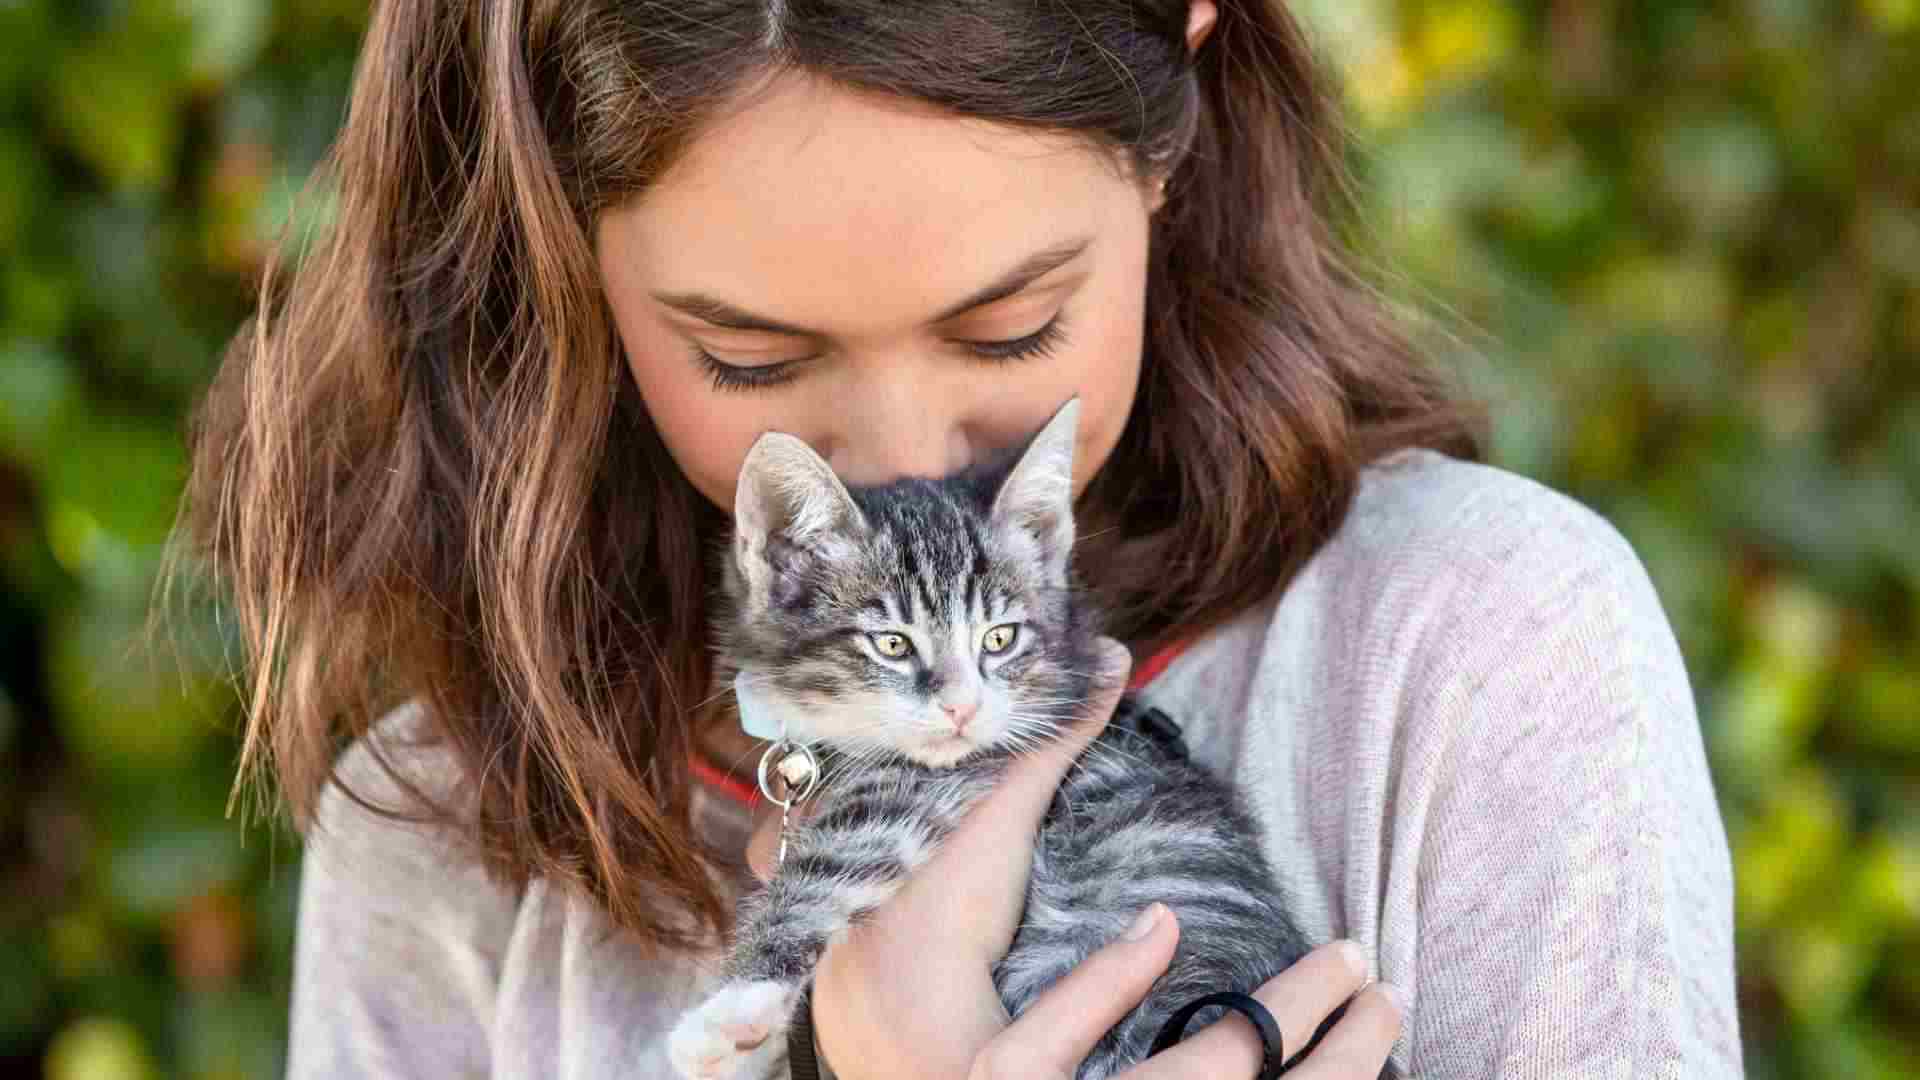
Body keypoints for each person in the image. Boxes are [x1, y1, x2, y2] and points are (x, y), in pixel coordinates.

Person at [163, 0, 1743, 1076]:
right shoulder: (448, 834)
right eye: (756, 363)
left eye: (1011, 329)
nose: (912, 469)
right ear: (561, 239)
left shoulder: (1469, 661)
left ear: (1172, 114)